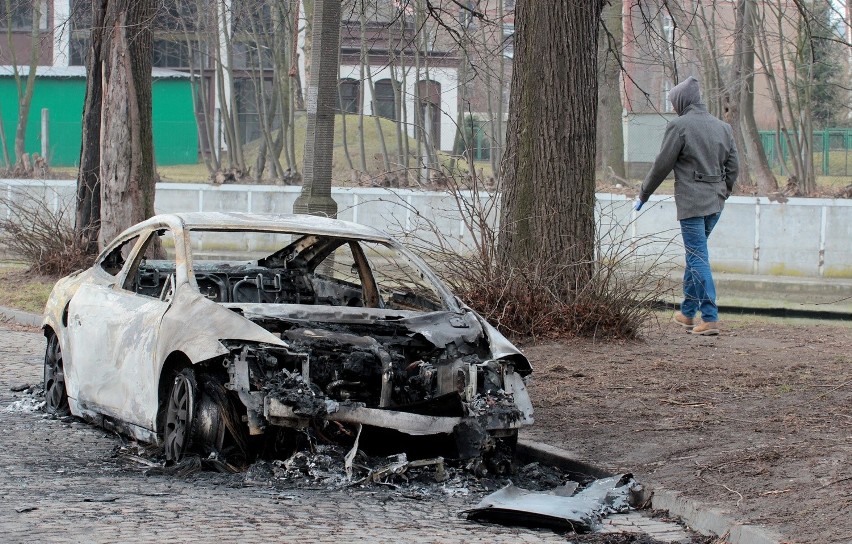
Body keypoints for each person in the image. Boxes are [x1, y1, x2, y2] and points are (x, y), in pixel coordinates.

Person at [635, 76, 738, 336]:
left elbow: (662, 165)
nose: (673, 107)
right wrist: (723, 193)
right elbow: (733, 167)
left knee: (697, 257)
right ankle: (688, 312)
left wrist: (644, 193)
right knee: (696, 255)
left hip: (692, 203)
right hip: (716, 202)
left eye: (674, 102)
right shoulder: (723, 127)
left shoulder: (679, 126)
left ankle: (710, 316)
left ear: (682, 101)